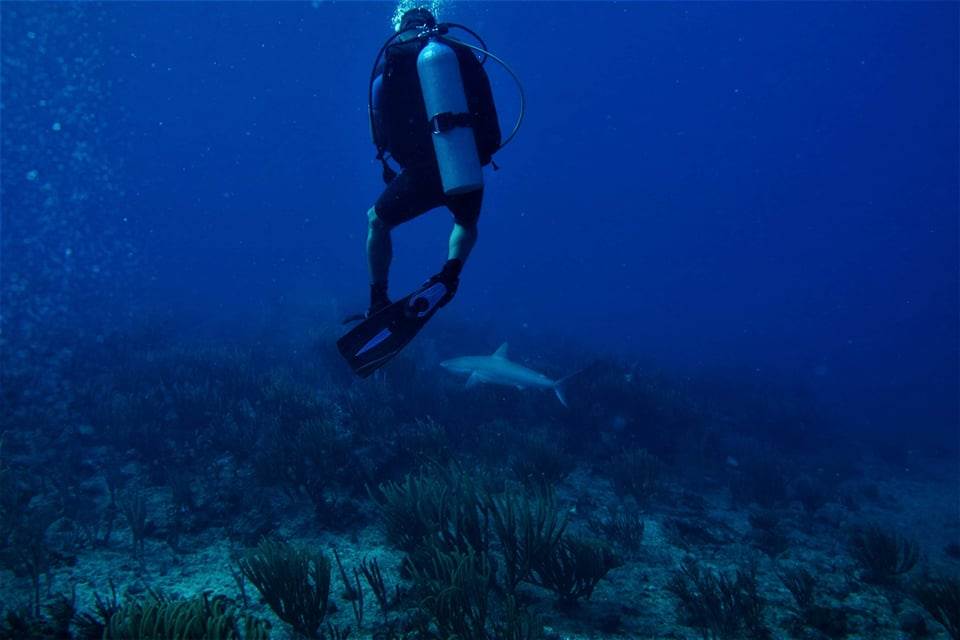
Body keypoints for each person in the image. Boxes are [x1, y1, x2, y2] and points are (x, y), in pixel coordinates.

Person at [365, 7, 501, 317]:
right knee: (465, 222)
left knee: (377, 221)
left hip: (422, 171)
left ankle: (378, 300)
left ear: (403, 27)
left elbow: (378, 126)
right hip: (465, 160)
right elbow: (487, 109)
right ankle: (450, 276)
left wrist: (389, 159)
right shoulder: (459, 55)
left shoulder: (393, 61)